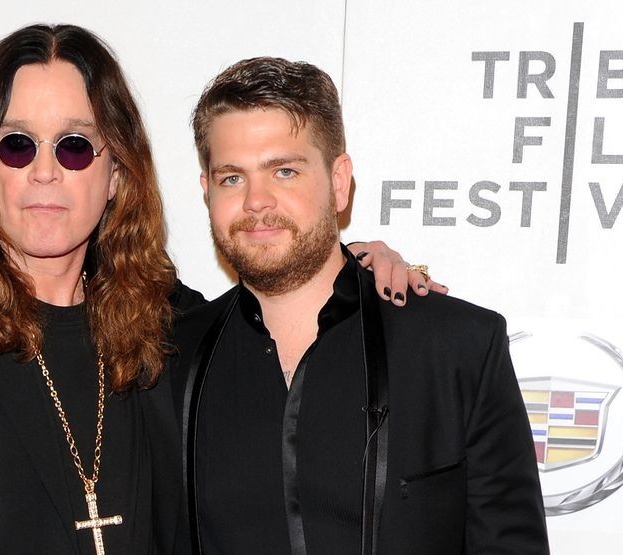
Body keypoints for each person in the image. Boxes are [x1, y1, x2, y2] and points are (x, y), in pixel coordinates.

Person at [0, 24, 440, 554]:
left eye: (74, 146)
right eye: (17, 145)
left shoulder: (166, 320)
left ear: (116, 172)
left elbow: (285, 305)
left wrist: (362, 268)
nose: (45, 170)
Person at [158, 57, 549, 554]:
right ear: (206, 191)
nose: (257, 201)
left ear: (339, 182)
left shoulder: (457, 349)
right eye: (232, 177)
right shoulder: (170, 362)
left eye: (284, 170)